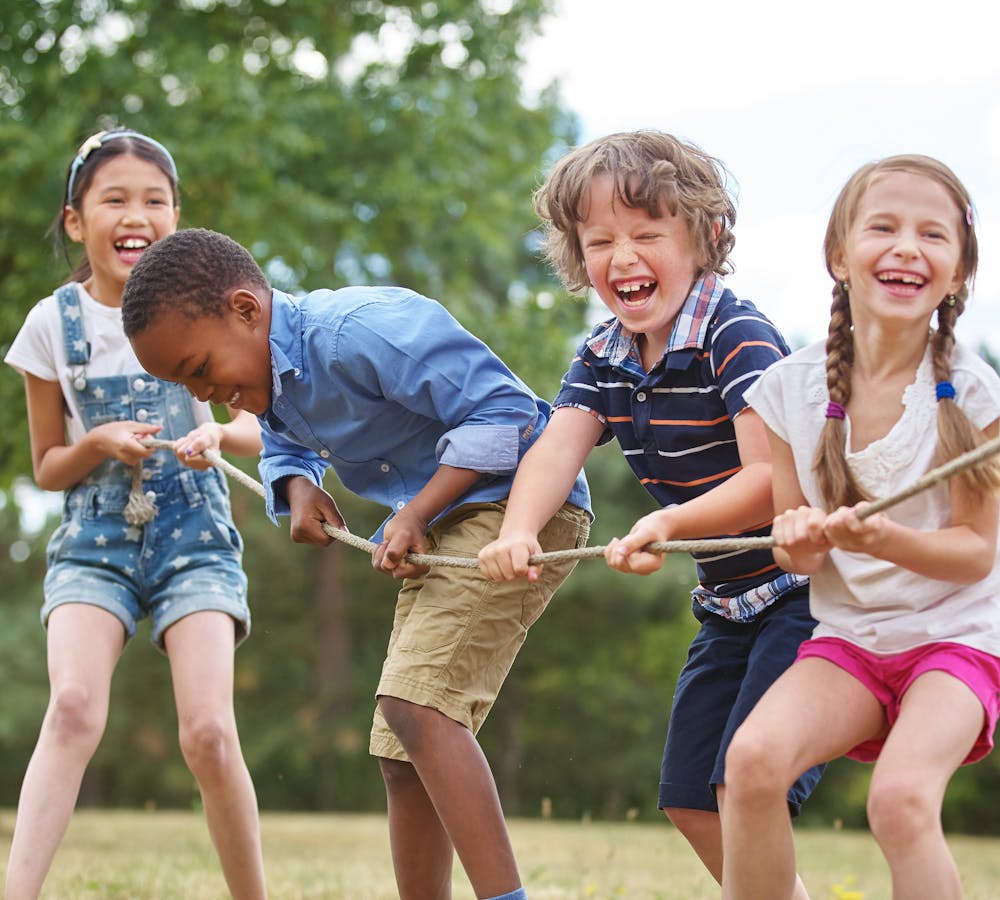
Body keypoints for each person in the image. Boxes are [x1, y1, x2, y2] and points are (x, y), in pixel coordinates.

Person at [120, 226, 592, 900]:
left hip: (518, 508)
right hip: (446, 522)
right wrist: (296, 488)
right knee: (400, 751)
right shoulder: (272, 382)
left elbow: (507, 411)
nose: (209, 393)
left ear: (247, 311)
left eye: (200, 370)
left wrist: (416, 511)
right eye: (184, 384)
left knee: (417, 708)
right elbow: (285, 443)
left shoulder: (358, 332)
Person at [477, 130, 823, 894]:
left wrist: (667, 523)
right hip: (730, 603)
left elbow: (769, 477)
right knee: (690, 800)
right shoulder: (603, 356)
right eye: (600, 240)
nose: (622, 256)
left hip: (807, 594)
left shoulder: (735, 336)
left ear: (703, 236)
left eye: (646, 234)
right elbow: (554, 450)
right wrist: (518, 530)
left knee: (743, 780)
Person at [719, 154, 1000, 900]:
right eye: (884, 227)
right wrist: (801, 542)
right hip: (849, 642)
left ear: (957, 271)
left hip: (955, 643)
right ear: (840, 256)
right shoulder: (787, 391)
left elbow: (975, 555)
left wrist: (882, 539)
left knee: (900, 803)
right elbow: (796, 550)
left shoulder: (975, 395)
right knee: (750, 765)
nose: (908, 247)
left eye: (933, 235)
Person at [3, 130, 267, 900]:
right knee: (74, 708)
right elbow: (49, 465)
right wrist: (100, 444)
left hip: (196, 536)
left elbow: (260, 425)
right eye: (114, 198)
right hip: (95, 539)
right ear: (76, 220)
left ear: (177, 218)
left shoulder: (214, 308)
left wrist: (217, 430)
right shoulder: (51, 325)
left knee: (210, 734)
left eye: (154, 200)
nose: (136, 214)